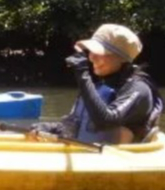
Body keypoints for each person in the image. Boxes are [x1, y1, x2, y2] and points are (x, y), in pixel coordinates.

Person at [32, 24, 162, 144]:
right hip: (86, 154)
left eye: (100, 53)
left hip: (117, 160)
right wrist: (48, 127)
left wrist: (83, 75)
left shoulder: (138, 88)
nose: (91, 57)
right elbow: (74, 124)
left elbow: (106, 121)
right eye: (91, 52)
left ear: (121, 58)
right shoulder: (99, 85)